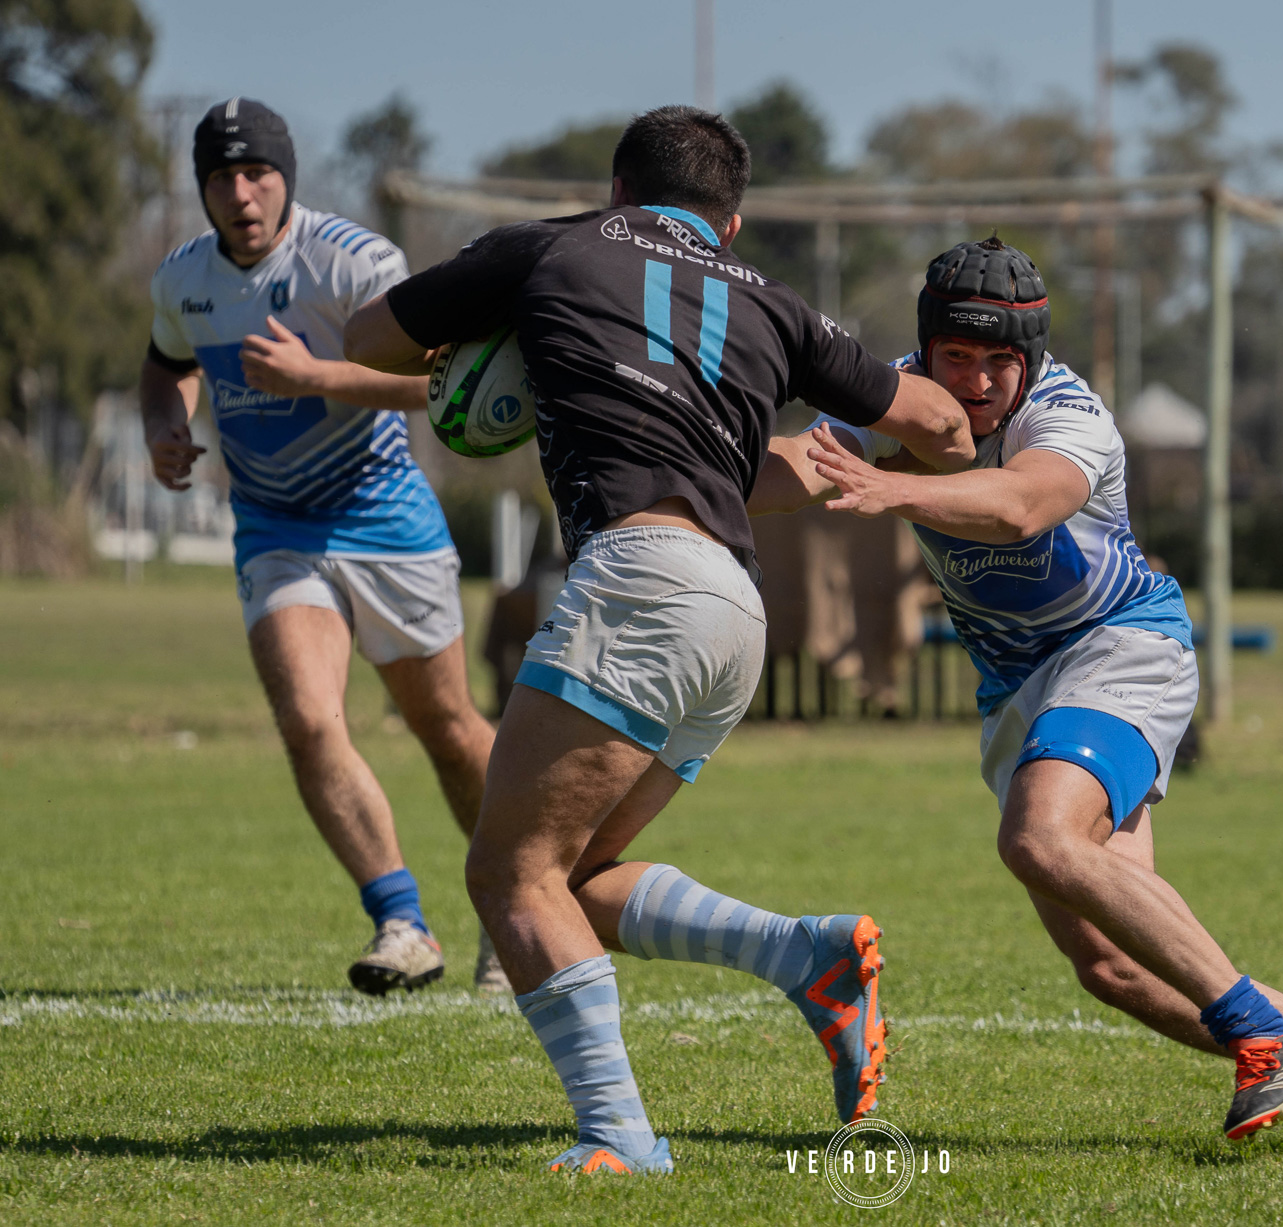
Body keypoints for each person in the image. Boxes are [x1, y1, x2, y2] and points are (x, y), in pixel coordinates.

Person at [343, 105, 974, 1176]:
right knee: (577, 873)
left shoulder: (549, 248)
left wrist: (501, 336)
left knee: (509, 875)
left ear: (619, 192)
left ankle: (620, 1135)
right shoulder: (774, 302)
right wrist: (883, 463)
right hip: (733, 611)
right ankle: (807, 957)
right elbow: (946, 428)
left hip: (637, 583)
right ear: (730, 224)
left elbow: (366, 340)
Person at [752, 237, 1283, 1155]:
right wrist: (685, 473)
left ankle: (1263, 1031)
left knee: (1039, 838)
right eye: (954, 356)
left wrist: (892, 489)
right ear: (925, 348)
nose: (975, 382)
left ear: (1030, 357)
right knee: (1114, 964)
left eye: (998, 360)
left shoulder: (1069, 412)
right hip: (1016, 688)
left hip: (1119, 645)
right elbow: (800, 465)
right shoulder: (899, 394)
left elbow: (1020, 505)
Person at [142, 99, 505, 996]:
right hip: (277, 530)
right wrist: (166, 426)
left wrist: (314, 376)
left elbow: (439, 382)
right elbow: (166, 363)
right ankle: (403, 922)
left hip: (385, 519)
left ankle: (518, 903)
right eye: (221, 178)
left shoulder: (353, 262)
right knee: (309, 721)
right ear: (203, 189)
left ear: (287, 177)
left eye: (257, 173)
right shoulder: (183, 279)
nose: (241, 193)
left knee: (448, 728)